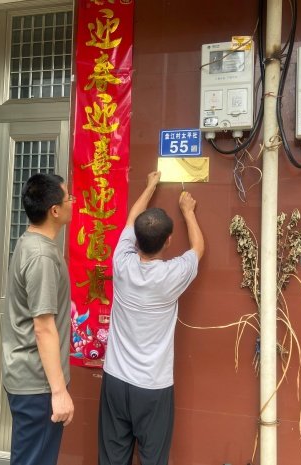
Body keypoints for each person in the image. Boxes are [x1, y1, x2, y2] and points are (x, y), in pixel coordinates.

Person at [98, 171, 204, 465]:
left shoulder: (121, 262)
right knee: (153, 459)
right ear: (168, 241)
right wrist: (188, 212)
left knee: (112, 459)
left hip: (115, 380)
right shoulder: (172, 275)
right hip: (153, 387)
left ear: (135, 239)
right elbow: (198, 249)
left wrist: (149, 187)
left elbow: (132, 219)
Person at [1, 173, 75, 465]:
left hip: (31, 377)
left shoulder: (29, 241)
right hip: (38, 384)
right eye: (68, 198)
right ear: (54, 210)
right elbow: (43, 328)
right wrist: (58, 391)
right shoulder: (41, 256)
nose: (72, 202)